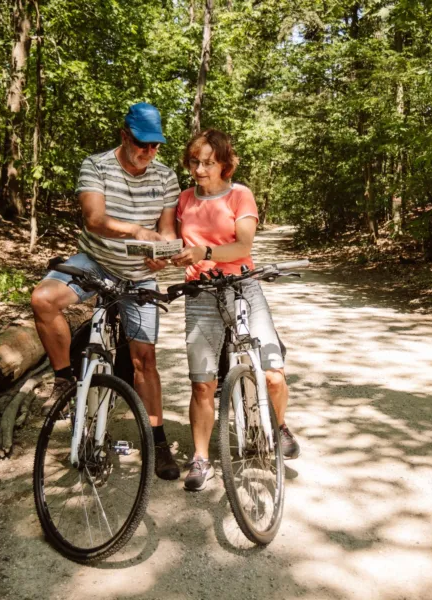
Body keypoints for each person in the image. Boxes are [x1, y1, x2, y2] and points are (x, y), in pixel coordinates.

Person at [30, 103, 181, 481]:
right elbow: (94, 219)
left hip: (139, 274)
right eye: (143, 144)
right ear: (124, 135)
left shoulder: (165, 176)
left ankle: (156, 439)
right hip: (95, 261)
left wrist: (162, 252)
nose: (150, 153)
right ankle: (65, 377)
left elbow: (166, 230)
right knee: (43, 300)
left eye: (156, 146)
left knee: (145, 358)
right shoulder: (96, 165)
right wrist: (136, 231)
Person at [170, 129, 300, 492]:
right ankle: (200, 457)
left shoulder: (239, 194)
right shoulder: (183, 200)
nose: (199, 169)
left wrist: (205, 253)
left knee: (272, 374)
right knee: (202, 382)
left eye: (209, 163)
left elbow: (243, 244)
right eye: (195, 162)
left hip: (243, 286)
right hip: (200, 293)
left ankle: (279, 425)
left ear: (226, 164)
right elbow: (169, 242)